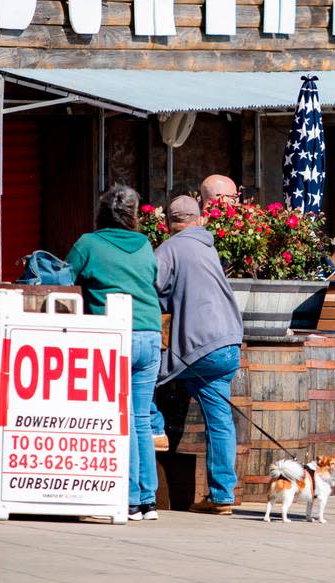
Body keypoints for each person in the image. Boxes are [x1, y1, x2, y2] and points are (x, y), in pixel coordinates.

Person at [66, 185, 163, 521]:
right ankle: (147, 500)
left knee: (121, 418)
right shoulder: (146, 245)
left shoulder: (88, 244)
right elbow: (152, 279)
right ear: (134, 214)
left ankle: (131, 497)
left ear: (101, 212)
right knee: (140, 418)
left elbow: (63, 280)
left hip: (115, 334)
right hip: (150, 334)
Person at [154, 195, 245, 515]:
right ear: (200, 220)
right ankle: (222, 496)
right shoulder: (208, 246)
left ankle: (153, 429)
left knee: (141, 376)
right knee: (220, 421)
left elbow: (151, 294)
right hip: (229, 343)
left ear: (168, 223)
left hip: (199, 346)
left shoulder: (168, 250)